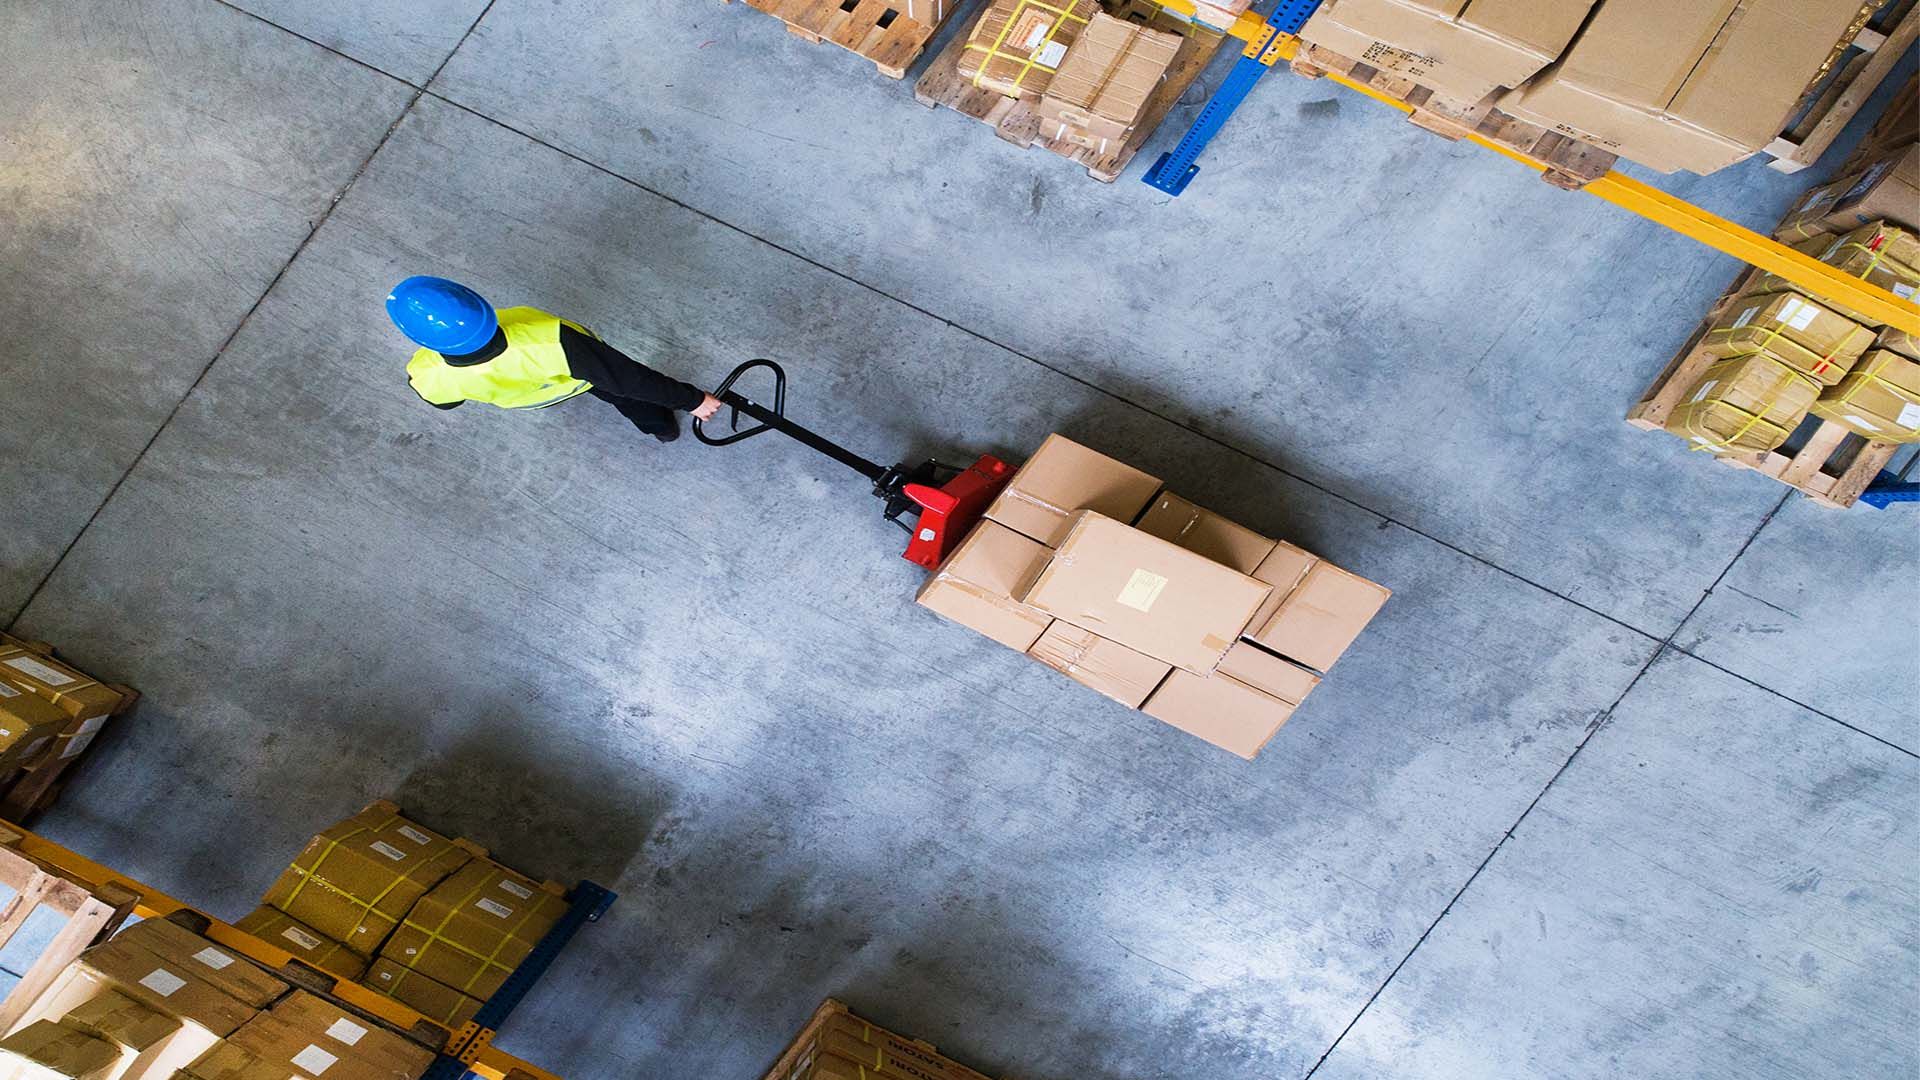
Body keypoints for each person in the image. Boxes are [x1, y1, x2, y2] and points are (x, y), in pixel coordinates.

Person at [387, 276, 723, 442]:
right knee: (626, 395)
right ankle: (661, 426)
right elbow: (629, 378)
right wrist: (692, 400)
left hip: (533, 397)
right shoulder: (550, 342)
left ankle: (661, 430)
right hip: (577, 376)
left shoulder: (425, 374)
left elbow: (445, 403)